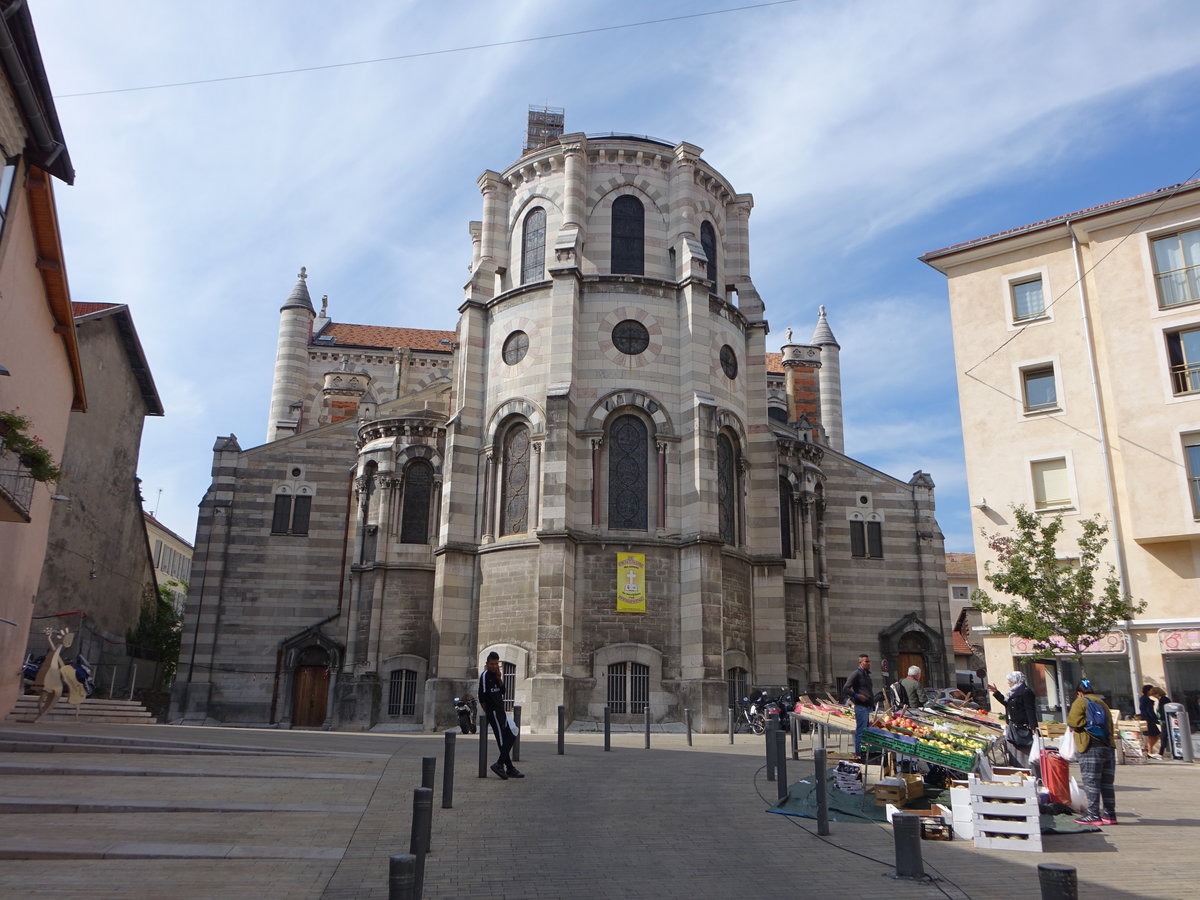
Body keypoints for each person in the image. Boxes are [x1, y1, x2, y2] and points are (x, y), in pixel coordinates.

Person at [1068, 679, 1117, 826]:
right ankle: (1110, 814)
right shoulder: (1103, 703)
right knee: (1106, 783)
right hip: (1107, 746)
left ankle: (1093, 815)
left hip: (1090, 745)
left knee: (1091, 781)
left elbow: (1073, 722)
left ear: (1079, 693)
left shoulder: (1081, 701)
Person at [478, 651, 523, 779]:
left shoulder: (496, 675)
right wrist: (489, 713)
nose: (494, 666)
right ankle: (506, 767)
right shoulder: (485, 676)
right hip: (494, 712)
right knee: (502, 740)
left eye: (496, 664)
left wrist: (499, 678)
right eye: (492, 664)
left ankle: (502, 765)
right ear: (487, 663)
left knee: (513, 732)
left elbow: (503, 691)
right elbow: (482, 697)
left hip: (501, 711)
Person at [988, 671, 1037, 767]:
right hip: (1013, 727)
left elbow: (1030, 709)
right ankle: (1018, 769)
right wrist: (996, 693)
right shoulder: (1012, 692)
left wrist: (1033, 726)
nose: (1008, 683)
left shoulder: (1026, 692)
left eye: (1010, 681)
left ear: (1015, 680)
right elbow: (1008, 704)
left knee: (1025, 752)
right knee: (1014, 752)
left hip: (1023, 727)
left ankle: (1029, 771)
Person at [843, 654, 873, 758]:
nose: (869, 664)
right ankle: (859, 754)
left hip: (867, 707)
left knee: (866, 732)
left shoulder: (867, 675)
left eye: (869, 661)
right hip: (860, 707)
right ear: (860, 663)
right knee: (860, 732)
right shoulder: (856, 674)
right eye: (866, 662)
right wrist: (857, 695)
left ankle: (865, 753)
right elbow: (845, 688)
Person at [1139, 684, 1163, 759]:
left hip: (1146, 719)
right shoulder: (1147, 700)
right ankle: (1149, 751)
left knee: (1150, 736)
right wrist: (1155, 719)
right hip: (1149, 720)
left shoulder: (1143, 699)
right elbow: (1149, 711)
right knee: (1155, 736)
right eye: (1151, 690)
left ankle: (1149, 750)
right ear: (1148, 691)